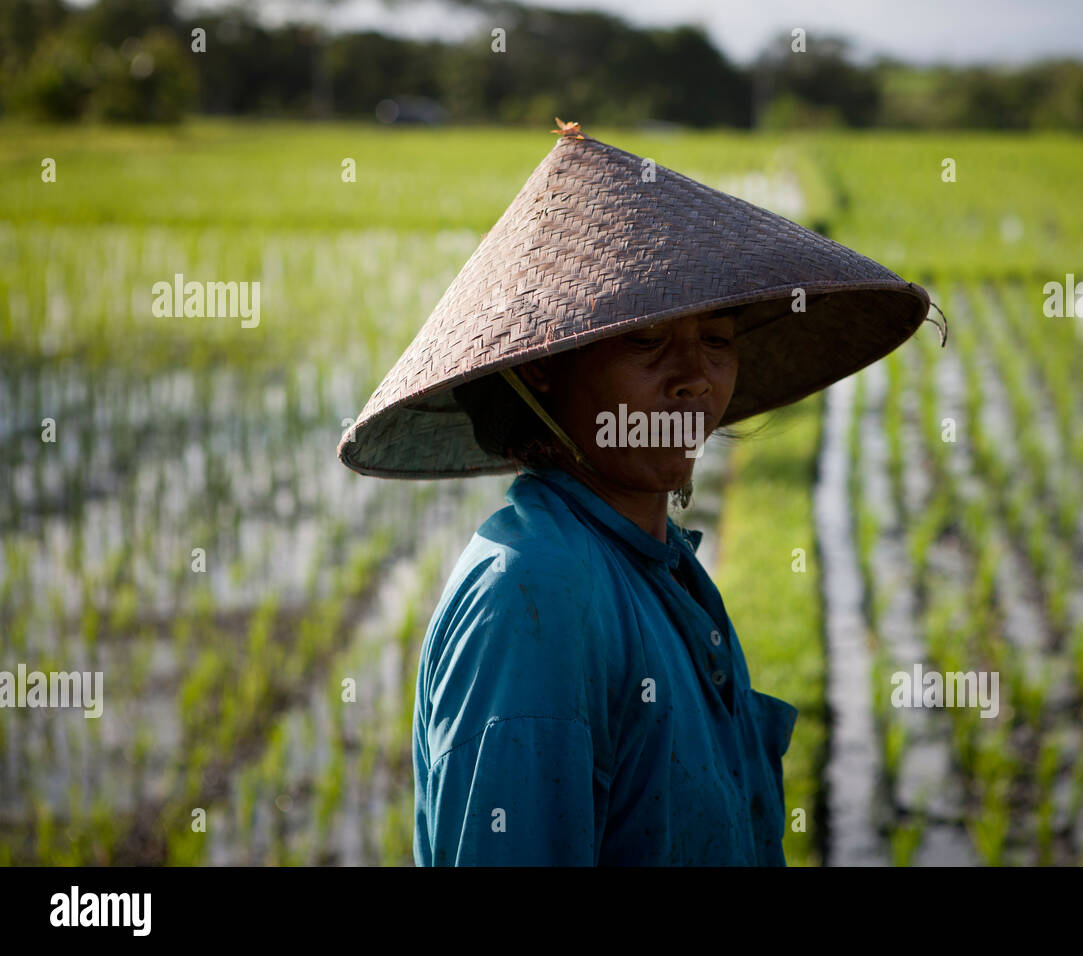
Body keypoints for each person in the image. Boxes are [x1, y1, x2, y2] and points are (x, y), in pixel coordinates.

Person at [337, 121, 938, 865]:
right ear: (542, 369)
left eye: (717, 340)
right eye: (646, 342)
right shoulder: (534, 597)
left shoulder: (656, 567)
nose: (694, 378)